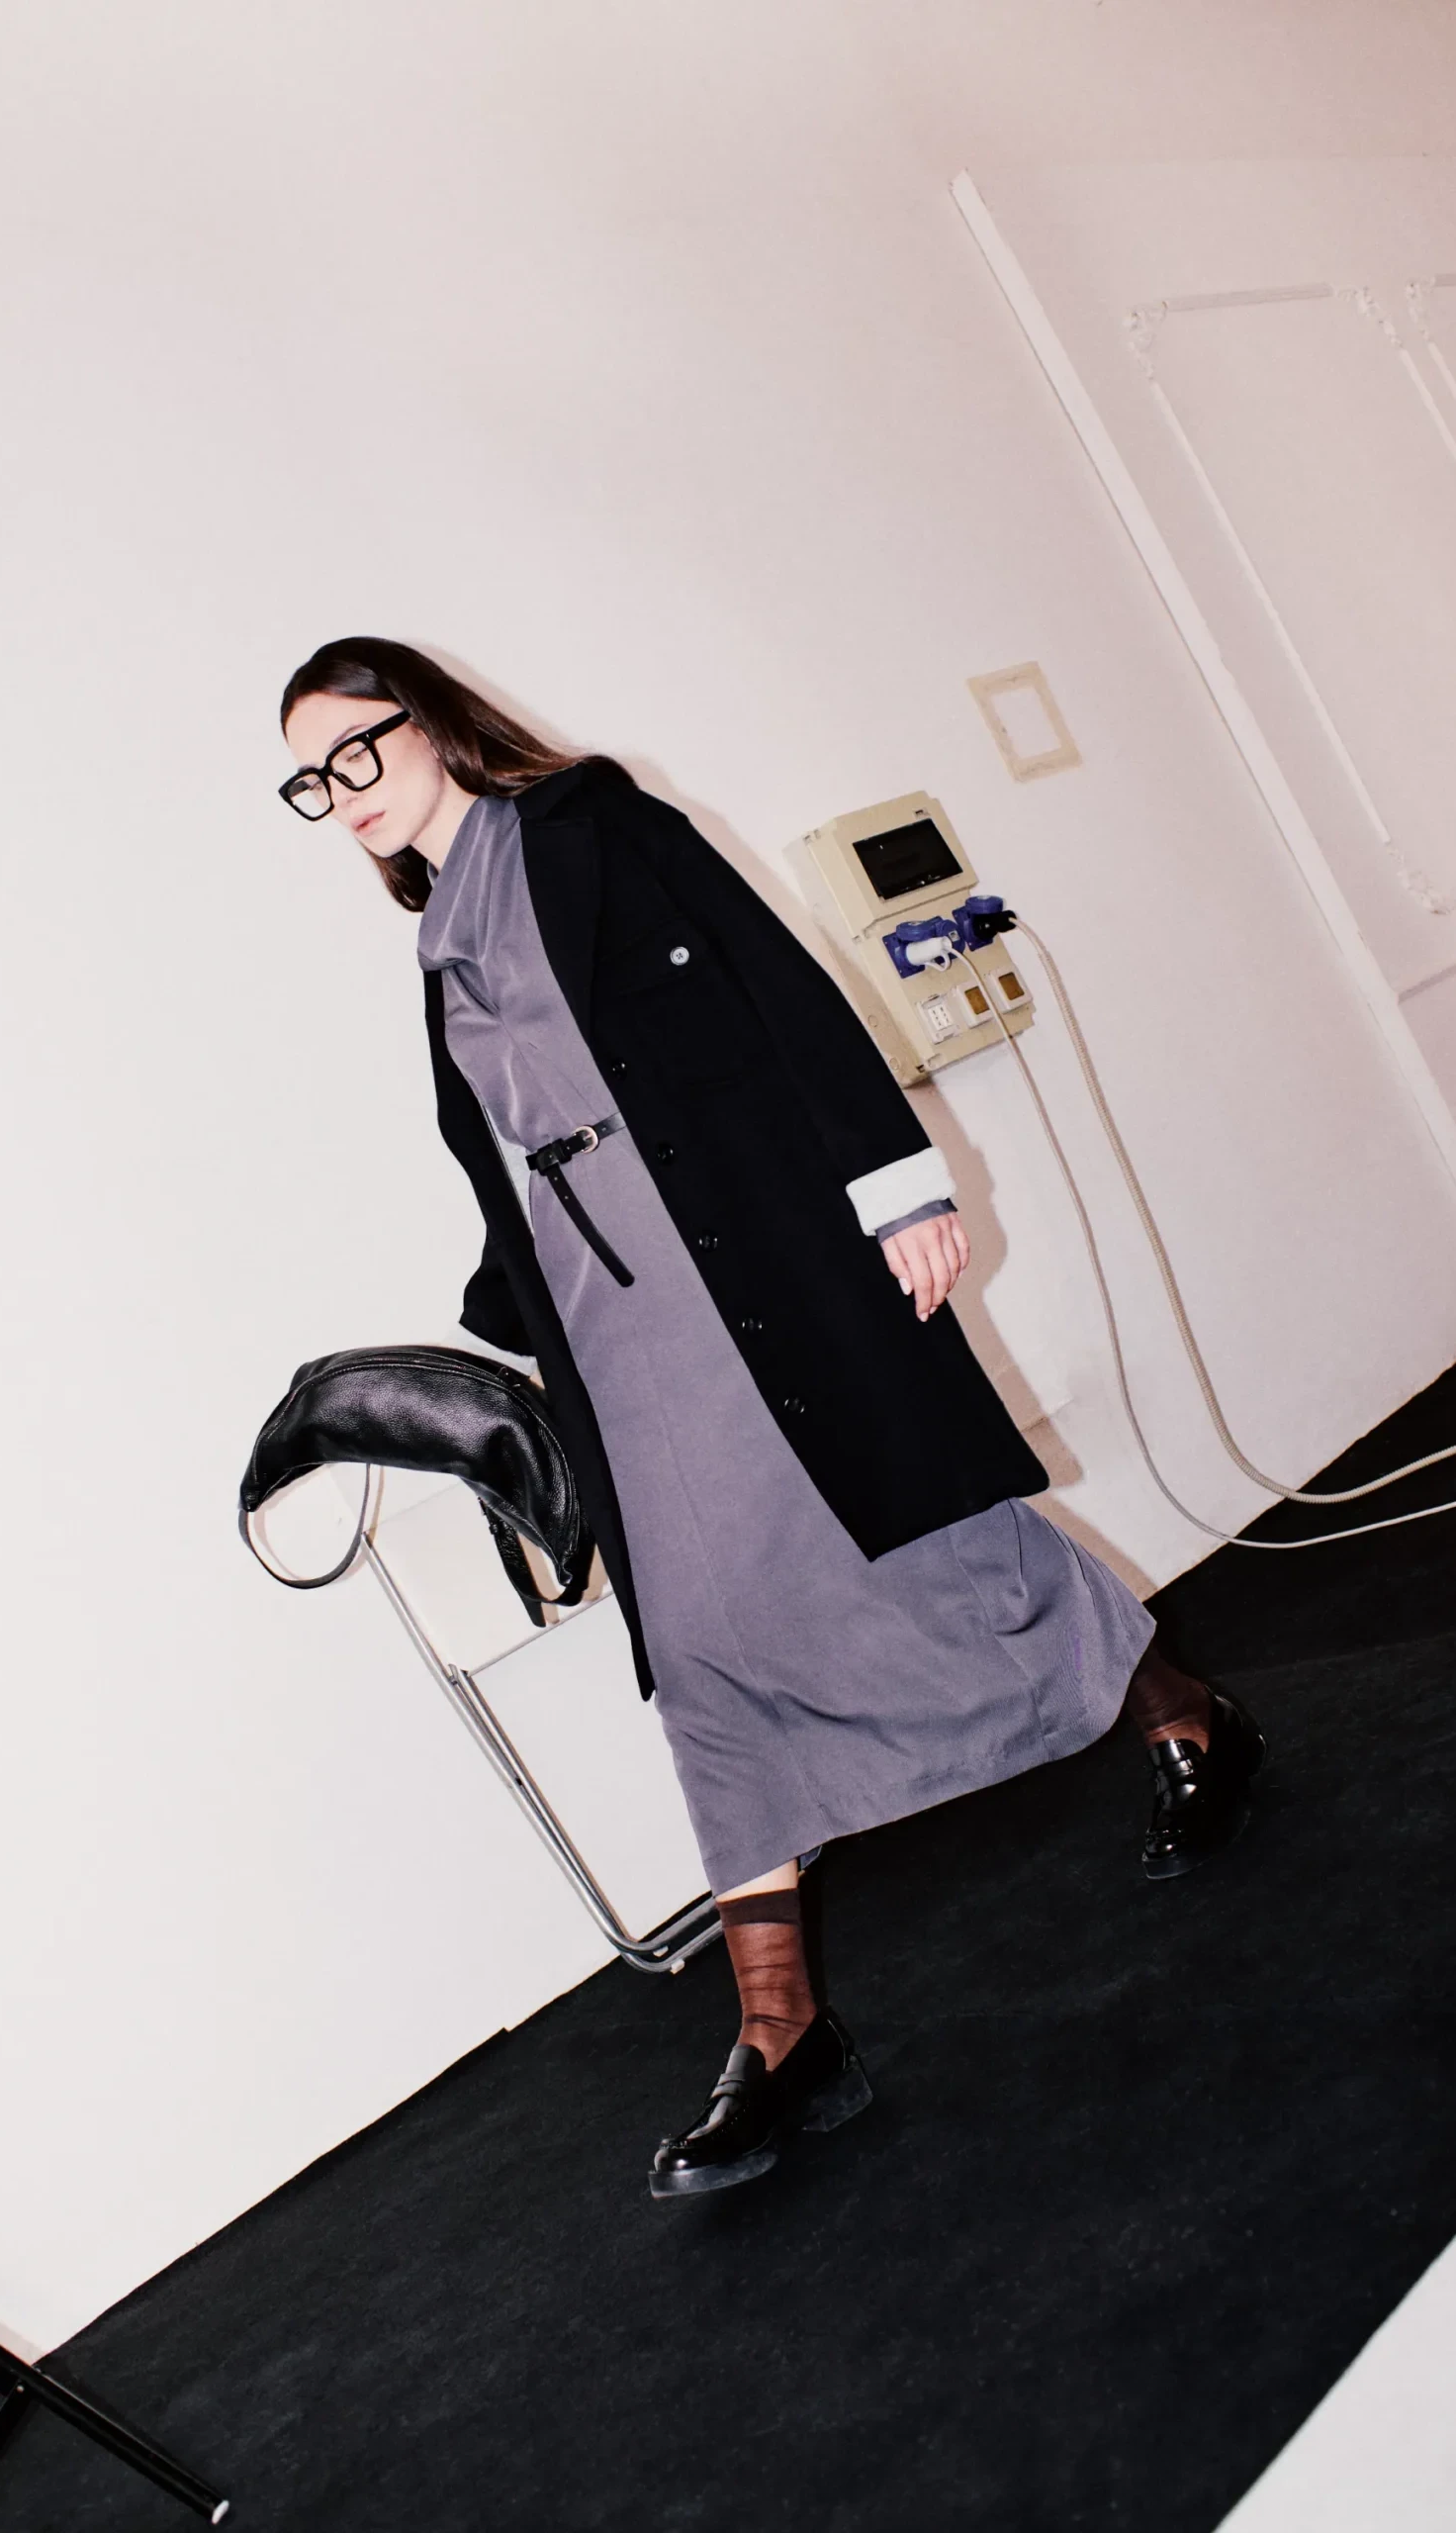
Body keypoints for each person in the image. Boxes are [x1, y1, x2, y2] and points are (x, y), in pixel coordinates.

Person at [276, 636, 1269, 2202]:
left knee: (930, 1547)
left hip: (741, 1258)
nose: (339, 797)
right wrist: (502, 1335)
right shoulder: (436, 941)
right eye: (308, 783)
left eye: (355, 753)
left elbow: (777, 991)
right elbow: (511, 1159)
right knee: (696, 1649)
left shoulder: (592, 827)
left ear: (437, 723)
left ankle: (1185, 1710)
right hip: (608, 1324)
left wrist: (897, 1185)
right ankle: (779, 2025)